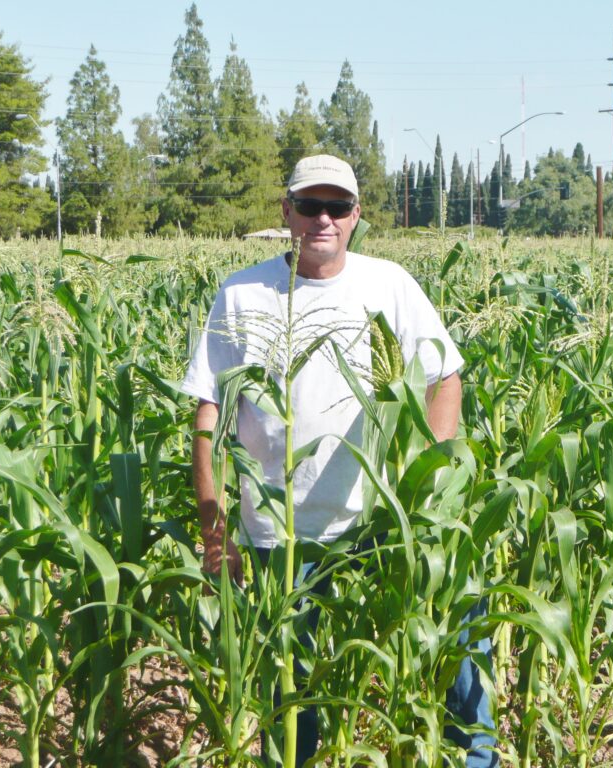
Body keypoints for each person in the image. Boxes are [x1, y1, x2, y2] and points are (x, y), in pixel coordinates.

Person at [181, 154, 498, 767]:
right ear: (286, 212)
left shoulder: (390, 285)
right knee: (290, 698)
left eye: (336, 207)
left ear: (356, 216)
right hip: (282, 536)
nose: (321, 219)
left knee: (459, 636)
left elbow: (445, 376)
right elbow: (210, 414)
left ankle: (477, 760)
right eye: (308, 206)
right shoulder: (242, 292)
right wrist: (215, 529)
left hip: (378, 525)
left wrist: (427, 486)